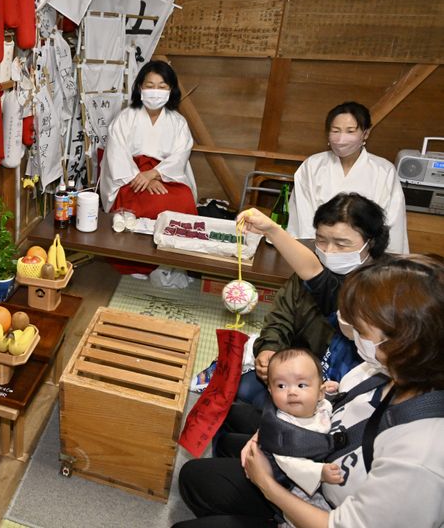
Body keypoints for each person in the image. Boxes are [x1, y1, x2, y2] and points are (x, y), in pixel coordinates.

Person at [174, 255, 444, 528]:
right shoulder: (378, 369)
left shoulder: (420, 458)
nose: (350, 331)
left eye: (361, 328)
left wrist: (267, 485)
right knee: (197, 477)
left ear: (405, 343)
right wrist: (268, 432)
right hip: (310, 467)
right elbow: (327, 407)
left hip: (324, 510)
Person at [234, 193, 389, 409]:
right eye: (322, 241)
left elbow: (317, 276)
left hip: (341, 383)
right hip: (294, 370)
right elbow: (280, 318)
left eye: (342, 244)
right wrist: (269, 349)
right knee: (243, 392)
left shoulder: (384, 285)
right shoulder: (307, 272)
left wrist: (273, 230)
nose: (329, 251)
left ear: (370, 242)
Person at [287, 101, 409, 253]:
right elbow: (302, 217)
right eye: (335, 131)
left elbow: (392, 223)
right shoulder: (312, 166)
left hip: (365, 256)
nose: (341, 139)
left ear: (366, 133)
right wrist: (317, 250)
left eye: (350, 131)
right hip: (318, 250)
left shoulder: (384, 171)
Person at [98, 60, 197, 218]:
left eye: (162, 87)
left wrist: (154, 173)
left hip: (166, 176)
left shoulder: (178, 122)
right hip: (131, 179)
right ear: (140, 87)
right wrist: (143, 178)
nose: (155, 91)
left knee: (184, 198)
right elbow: (117, 156)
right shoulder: (124, 118)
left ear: (171, 89)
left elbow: (180, 157)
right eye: (150, 86)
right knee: (152, 204)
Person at [262, 349, 341, 504]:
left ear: (320, 393)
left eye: (301, 384)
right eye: (281, 386)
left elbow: (329, 404)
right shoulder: (282, 428)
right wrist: (319, 473)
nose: (291, 391)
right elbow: (289, 463)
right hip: (295, 481)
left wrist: (335, 388)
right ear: (270, 391)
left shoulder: (321, 405)